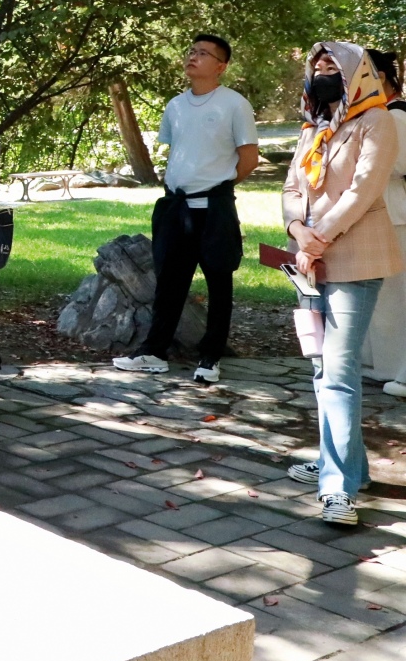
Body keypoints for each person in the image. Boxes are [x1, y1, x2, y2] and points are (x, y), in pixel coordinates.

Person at [282, 42, 401, 525]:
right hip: (310, 261)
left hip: (355, 257)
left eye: (333, 65)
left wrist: (317, 238)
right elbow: (292, 187)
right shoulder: (313, 128)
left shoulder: (377, 120)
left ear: (358, 75)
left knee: (338, 369)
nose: (323, 71)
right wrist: (296, 231)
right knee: (322, 368)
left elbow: (365, 188)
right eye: (318, 66)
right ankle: (350, 467)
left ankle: (338, 489)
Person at [113, 34, 259, 382]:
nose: (193, 57)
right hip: (175, 208)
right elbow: (179, 152)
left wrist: (217, 187)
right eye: (191, 51)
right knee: (170, 282)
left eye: (203, 53)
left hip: (213, 209)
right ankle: (154, 352)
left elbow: (249, 159)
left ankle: (210, 358)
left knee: (219, 283)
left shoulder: (234, 104)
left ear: (220, 66)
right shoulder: (175, 106)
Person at [361, 51, 406, 397]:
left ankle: (395, 367)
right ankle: (379, 364)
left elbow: (395, 166)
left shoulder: (397, 117)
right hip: (377, 213)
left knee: (395, 295)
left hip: (396, 213)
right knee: (379, 296)